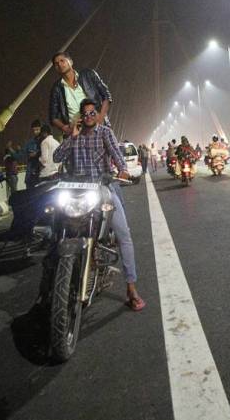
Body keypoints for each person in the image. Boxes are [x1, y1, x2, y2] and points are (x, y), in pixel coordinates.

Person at [52, 99, 145, 311]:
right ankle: (54, 283)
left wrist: (122, 169)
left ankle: (131, 287)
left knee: (124, 235)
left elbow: (116, 154)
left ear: (97, 114)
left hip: (103, 190)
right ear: (80, 118)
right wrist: (71, 137)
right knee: (55, 230)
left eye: (93, 113)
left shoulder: (104, 133)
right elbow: (57, 157)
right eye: (85, 114)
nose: (89, 117)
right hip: (78, 194)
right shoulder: (74, 137)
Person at [49, 53, 113, 137]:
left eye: (62, 61)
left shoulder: (88, 74)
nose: (60, 64)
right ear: (56, 69)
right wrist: (65, 128)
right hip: (77, 133)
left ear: (70, 62)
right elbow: (53, 117)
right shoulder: (56, 88)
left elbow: (106, 96)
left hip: (99, 128)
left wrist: (100, 119)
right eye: (56, 64)